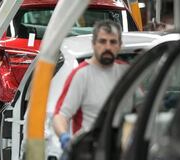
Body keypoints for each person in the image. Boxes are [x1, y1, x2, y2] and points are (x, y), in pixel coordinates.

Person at [53, 20, 128, 150]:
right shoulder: (81, 74)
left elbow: (143, 106)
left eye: (113, 42)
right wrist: (65, 139)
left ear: (120, 45)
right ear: (93, 44)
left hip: (123, 152)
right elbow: (61, 116)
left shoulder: (127, 73)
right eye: (102, 41)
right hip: (89, 152)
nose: (108, 47)